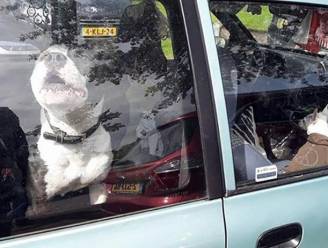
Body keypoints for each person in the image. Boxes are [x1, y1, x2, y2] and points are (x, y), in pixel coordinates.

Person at [0, 107, 29, 238]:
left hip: (14, 166)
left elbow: (21, 140)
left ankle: (19, 218)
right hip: (10, 166)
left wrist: (18, 160)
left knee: (19, 192)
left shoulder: (7, 114)